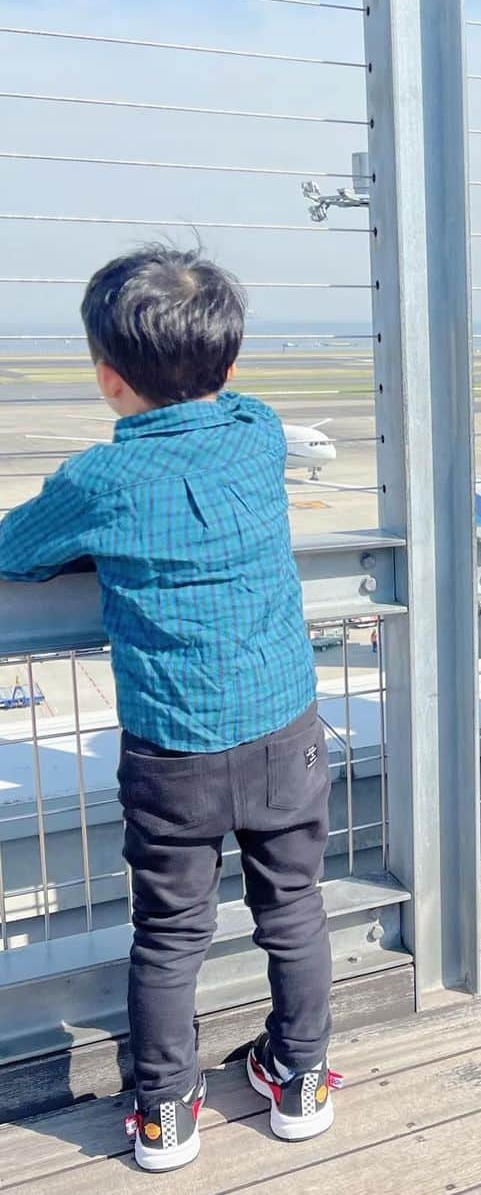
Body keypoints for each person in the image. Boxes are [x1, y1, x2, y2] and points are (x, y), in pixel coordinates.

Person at [0, 246, 338, 1172]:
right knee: (295, 908)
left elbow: (16, 551)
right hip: (284, 731)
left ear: (108, 379)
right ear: (229, 368)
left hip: (173, 752)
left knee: (169, 934)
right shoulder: (260, 430)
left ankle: (161, 1112)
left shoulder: (101, 483)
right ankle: (299, 1080)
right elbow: (222, 417)